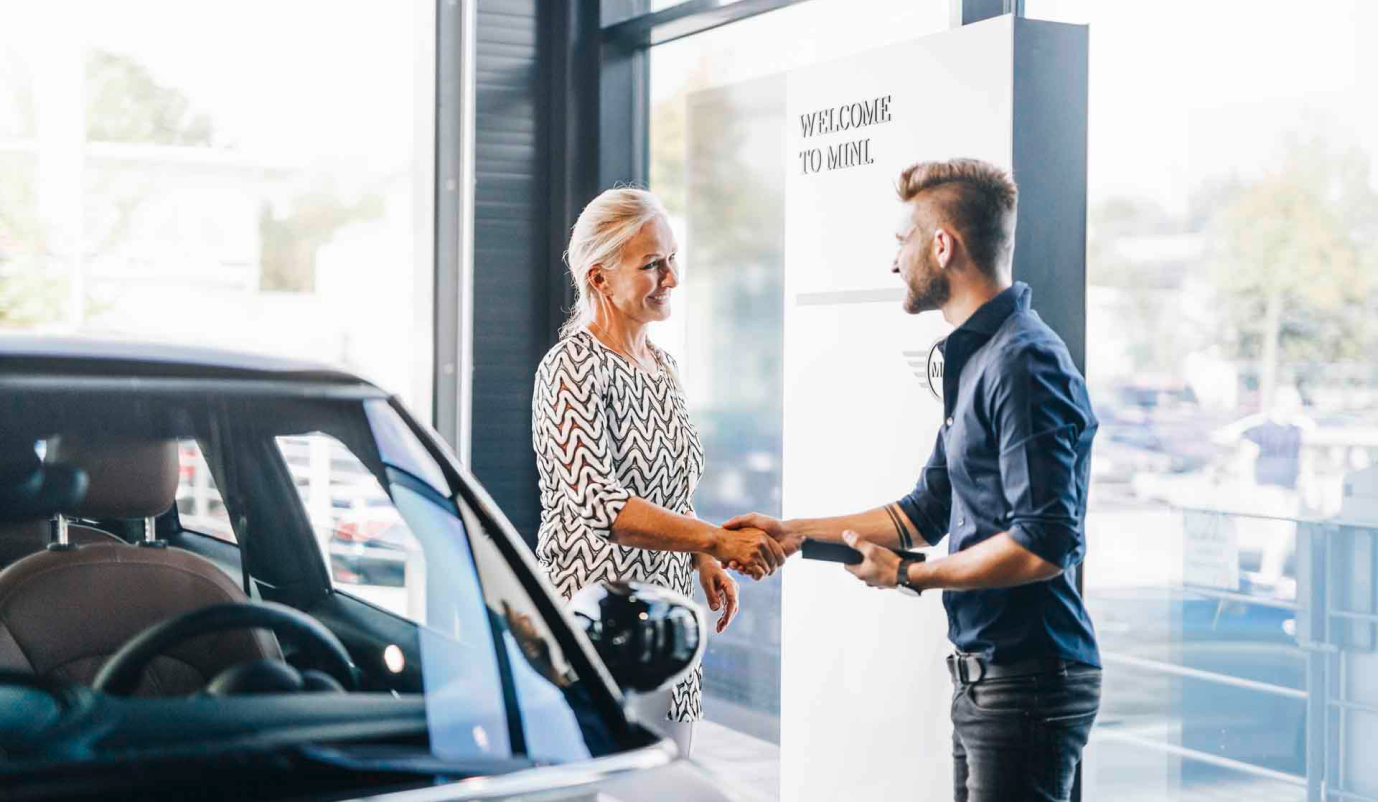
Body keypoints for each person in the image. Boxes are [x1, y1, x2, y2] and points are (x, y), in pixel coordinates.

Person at [726, 159, 1101, 801]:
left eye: (902, 240)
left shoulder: (1022, 362)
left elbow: (1043, 544)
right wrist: (791, 534)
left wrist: (909, 574)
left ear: (942, 245)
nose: (894, 261)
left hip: (1028, 682)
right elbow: (923, 513)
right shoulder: (979, 357)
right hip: (992, 684)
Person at [532, 186, 786, 756]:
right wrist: (718, 540)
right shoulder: (570, 366)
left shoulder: (663, 366)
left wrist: (699, 557)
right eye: (652, 265)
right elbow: (605, 508)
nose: (671, 278)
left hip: (667, 627)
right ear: (599, 279)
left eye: (672, 259)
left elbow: (668, 488)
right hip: (597, 632)